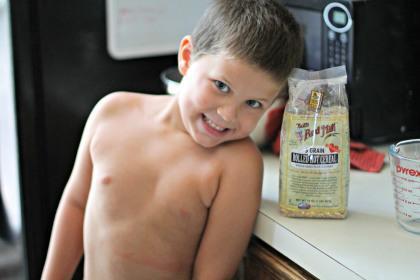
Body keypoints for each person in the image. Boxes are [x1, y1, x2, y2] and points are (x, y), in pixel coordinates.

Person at [41, 0, 303, 279]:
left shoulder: (237, 165)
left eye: (253, 103)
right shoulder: (112, 113)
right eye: (221, 86)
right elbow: (75, 206)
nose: (227, 115)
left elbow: (211, 275)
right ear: (187, 58)